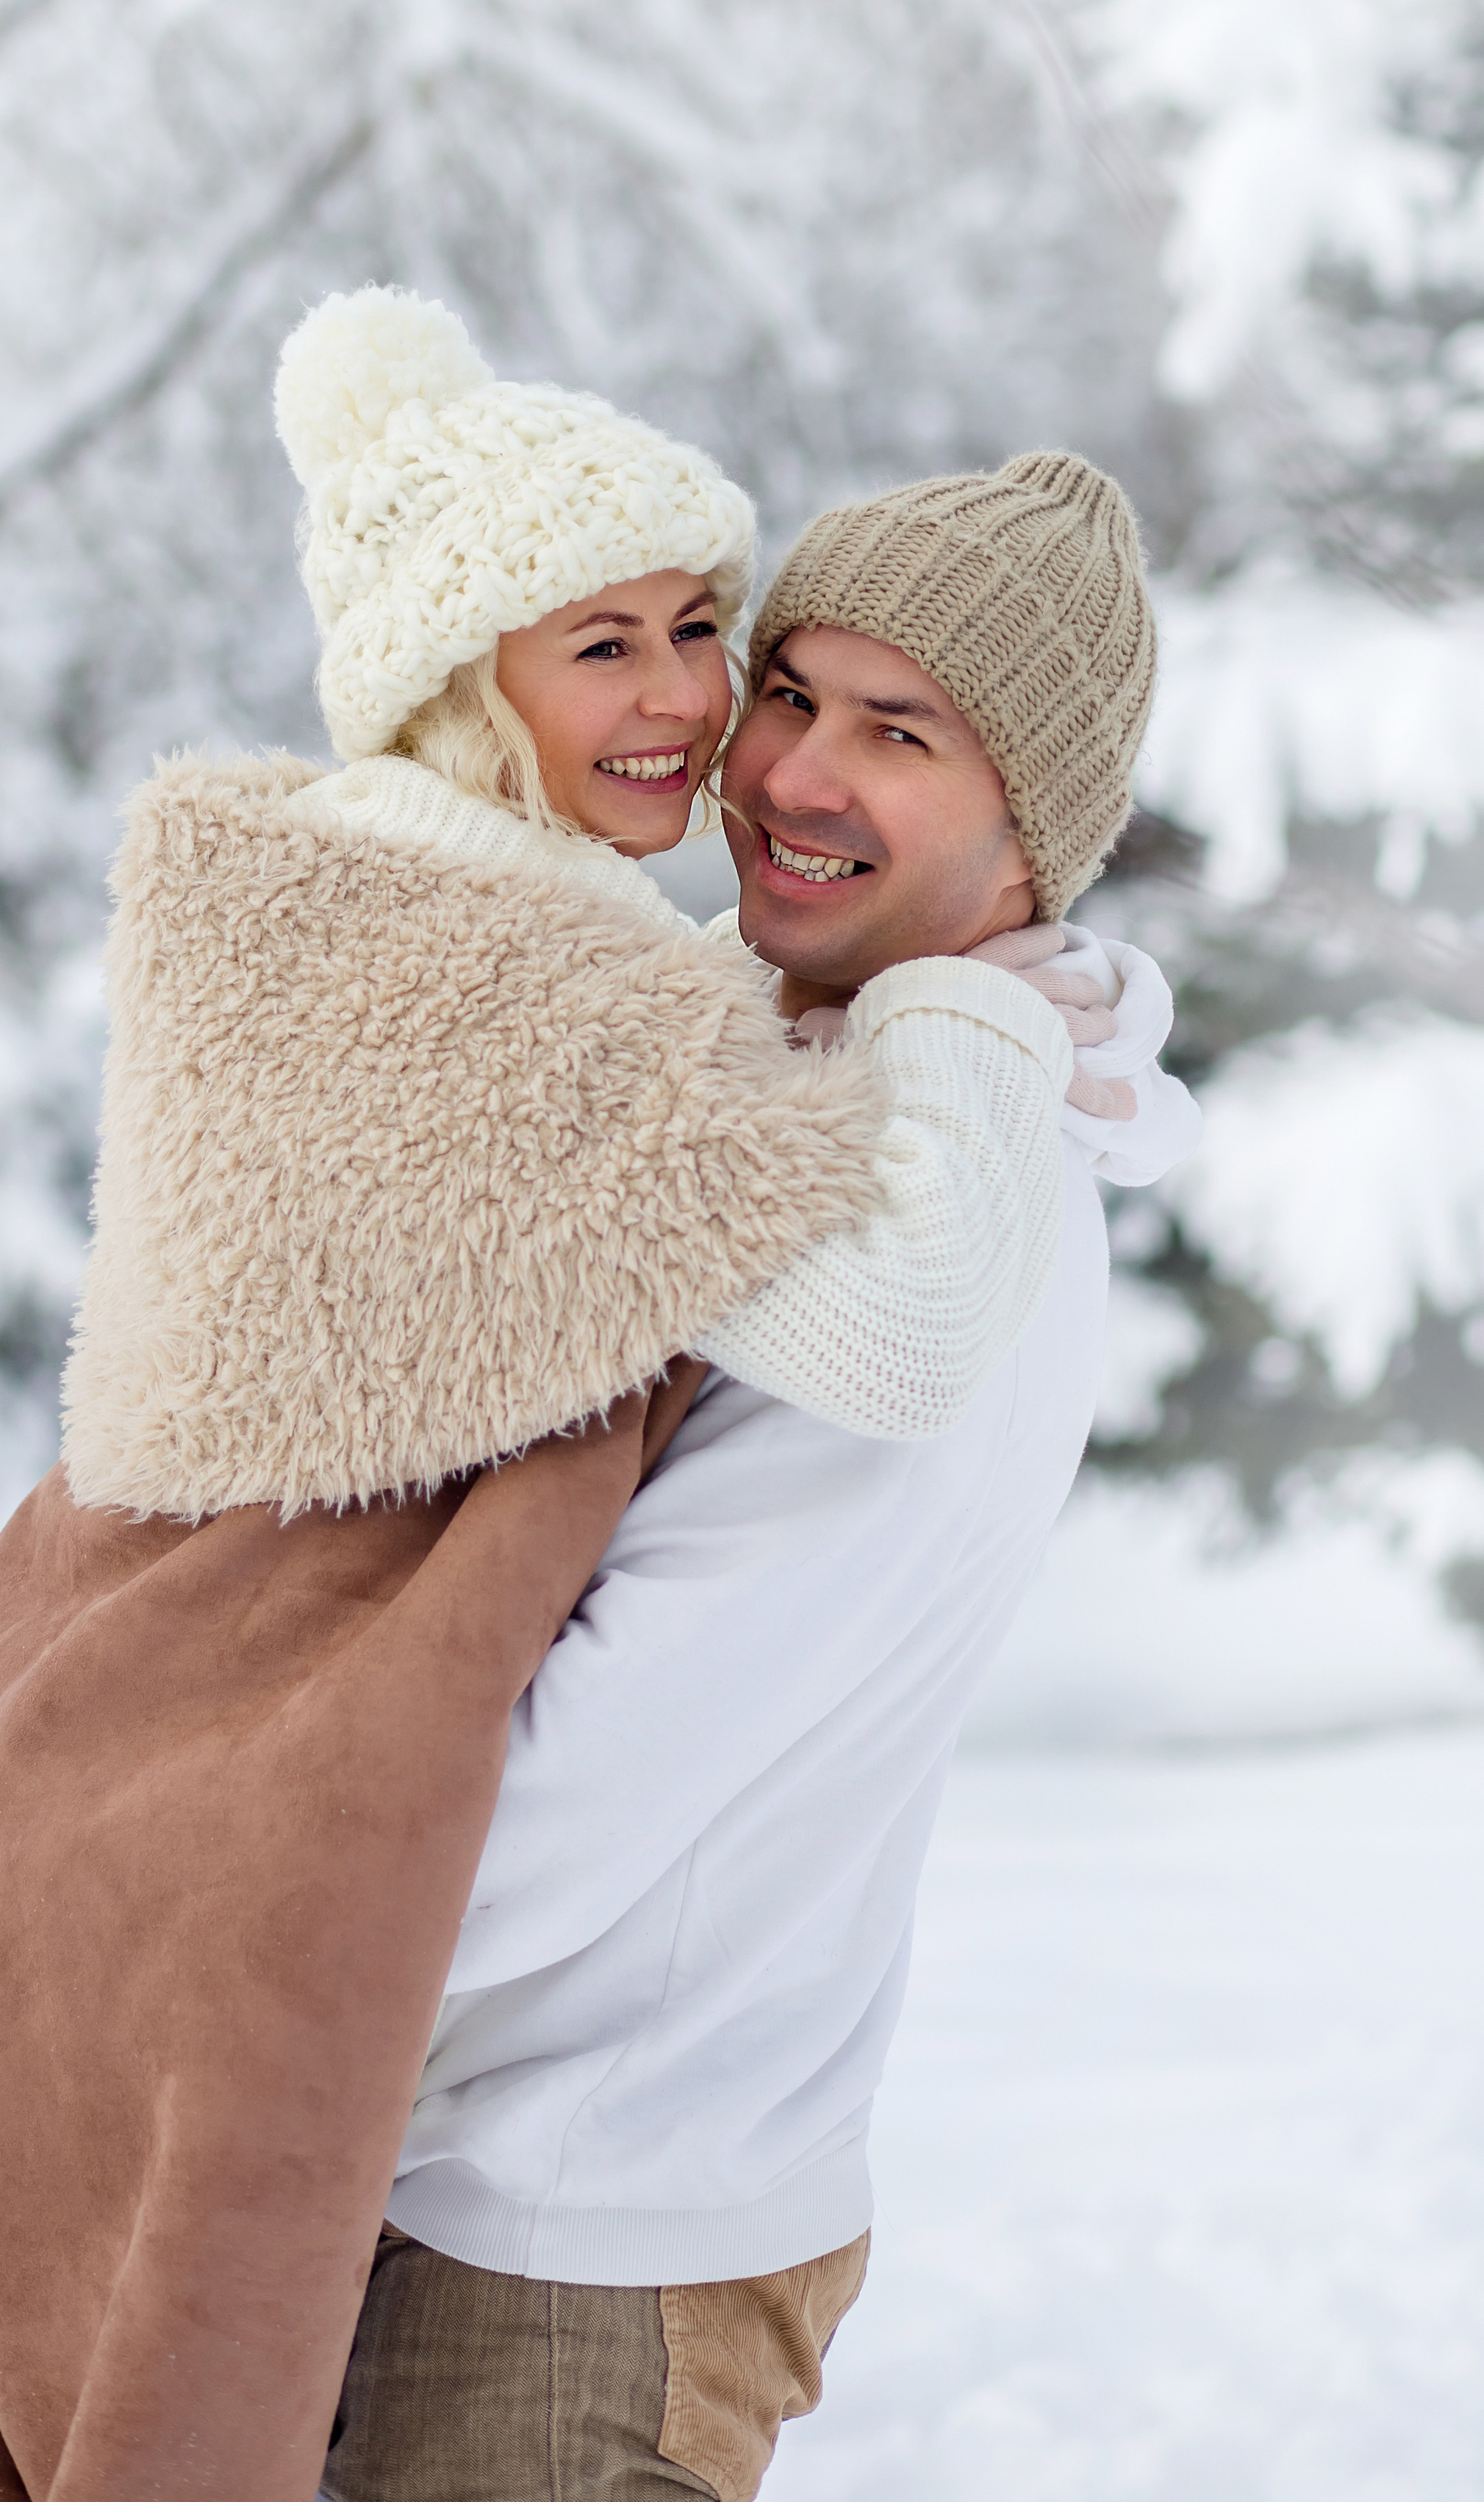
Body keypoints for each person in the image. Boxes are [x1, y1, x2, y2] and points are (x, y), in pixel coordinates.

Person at [320, 457, 1200, 2502]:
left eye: (899, 735)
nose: (791, 769)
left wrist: (215, 1969)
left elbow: (602, 1766)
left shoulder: (934, 1225)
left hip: (573, 2242)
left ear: (1028, 828)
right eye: (788, 689)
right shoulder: (799, 1079)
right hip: (474, 2165)